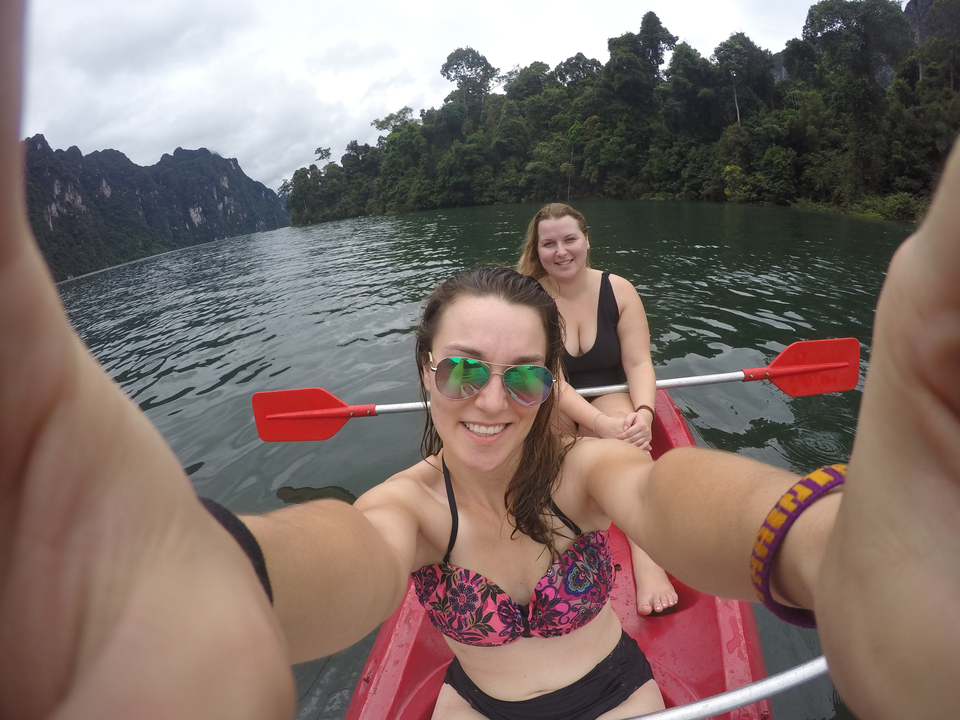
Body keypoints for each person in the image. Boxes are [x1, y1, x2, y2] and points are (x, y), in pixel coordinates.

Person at [2, 2, 959, 718]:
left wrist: (823, 546)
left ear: (549, 382)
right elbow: (349, 550)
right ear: (426, 372)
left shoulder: (585, 471)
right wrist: (203, 574)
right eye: (464, 370)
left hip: (613, 692)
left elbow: (664, 495)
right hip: (474, 702)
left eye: (526, 374)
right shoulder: (412, 509)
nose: (493, 399)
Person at [517, 203, 678, 616]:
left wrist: (644, 413)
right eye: (549, 244)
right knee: (549, 451)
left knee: (627, 440)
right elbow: (550, 379)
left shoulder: (618, 290)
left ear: (586, 240)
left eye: (570, 239)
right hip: (553, 397)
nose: (561, 251)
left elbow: (638, 363)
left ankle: (649, 558)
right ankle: (553, 541)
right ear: (537, 249)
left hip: (611, 391)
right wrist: (597, 425)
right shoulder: (530, 300)